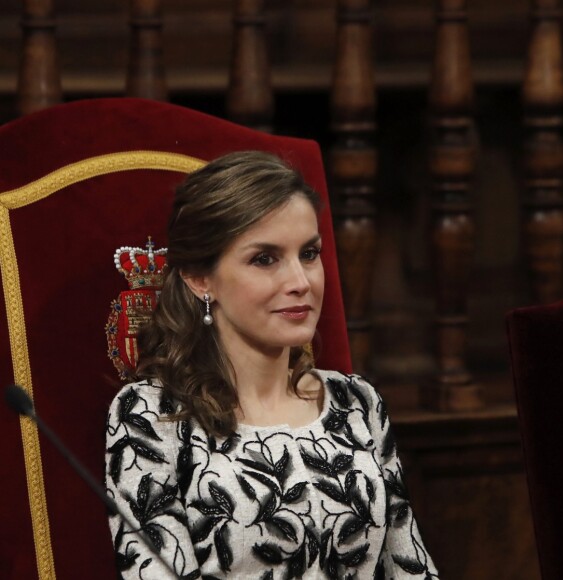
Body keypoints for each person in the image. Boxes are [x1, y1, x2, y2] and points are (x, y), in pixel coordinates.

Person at [105, 151, 438, 579]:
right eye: (265, 259)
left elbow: (410, 565)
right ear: (199, 277)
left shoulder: (357, 402)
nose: (300, 282)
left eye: (309, 253)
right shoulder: (152, 417)